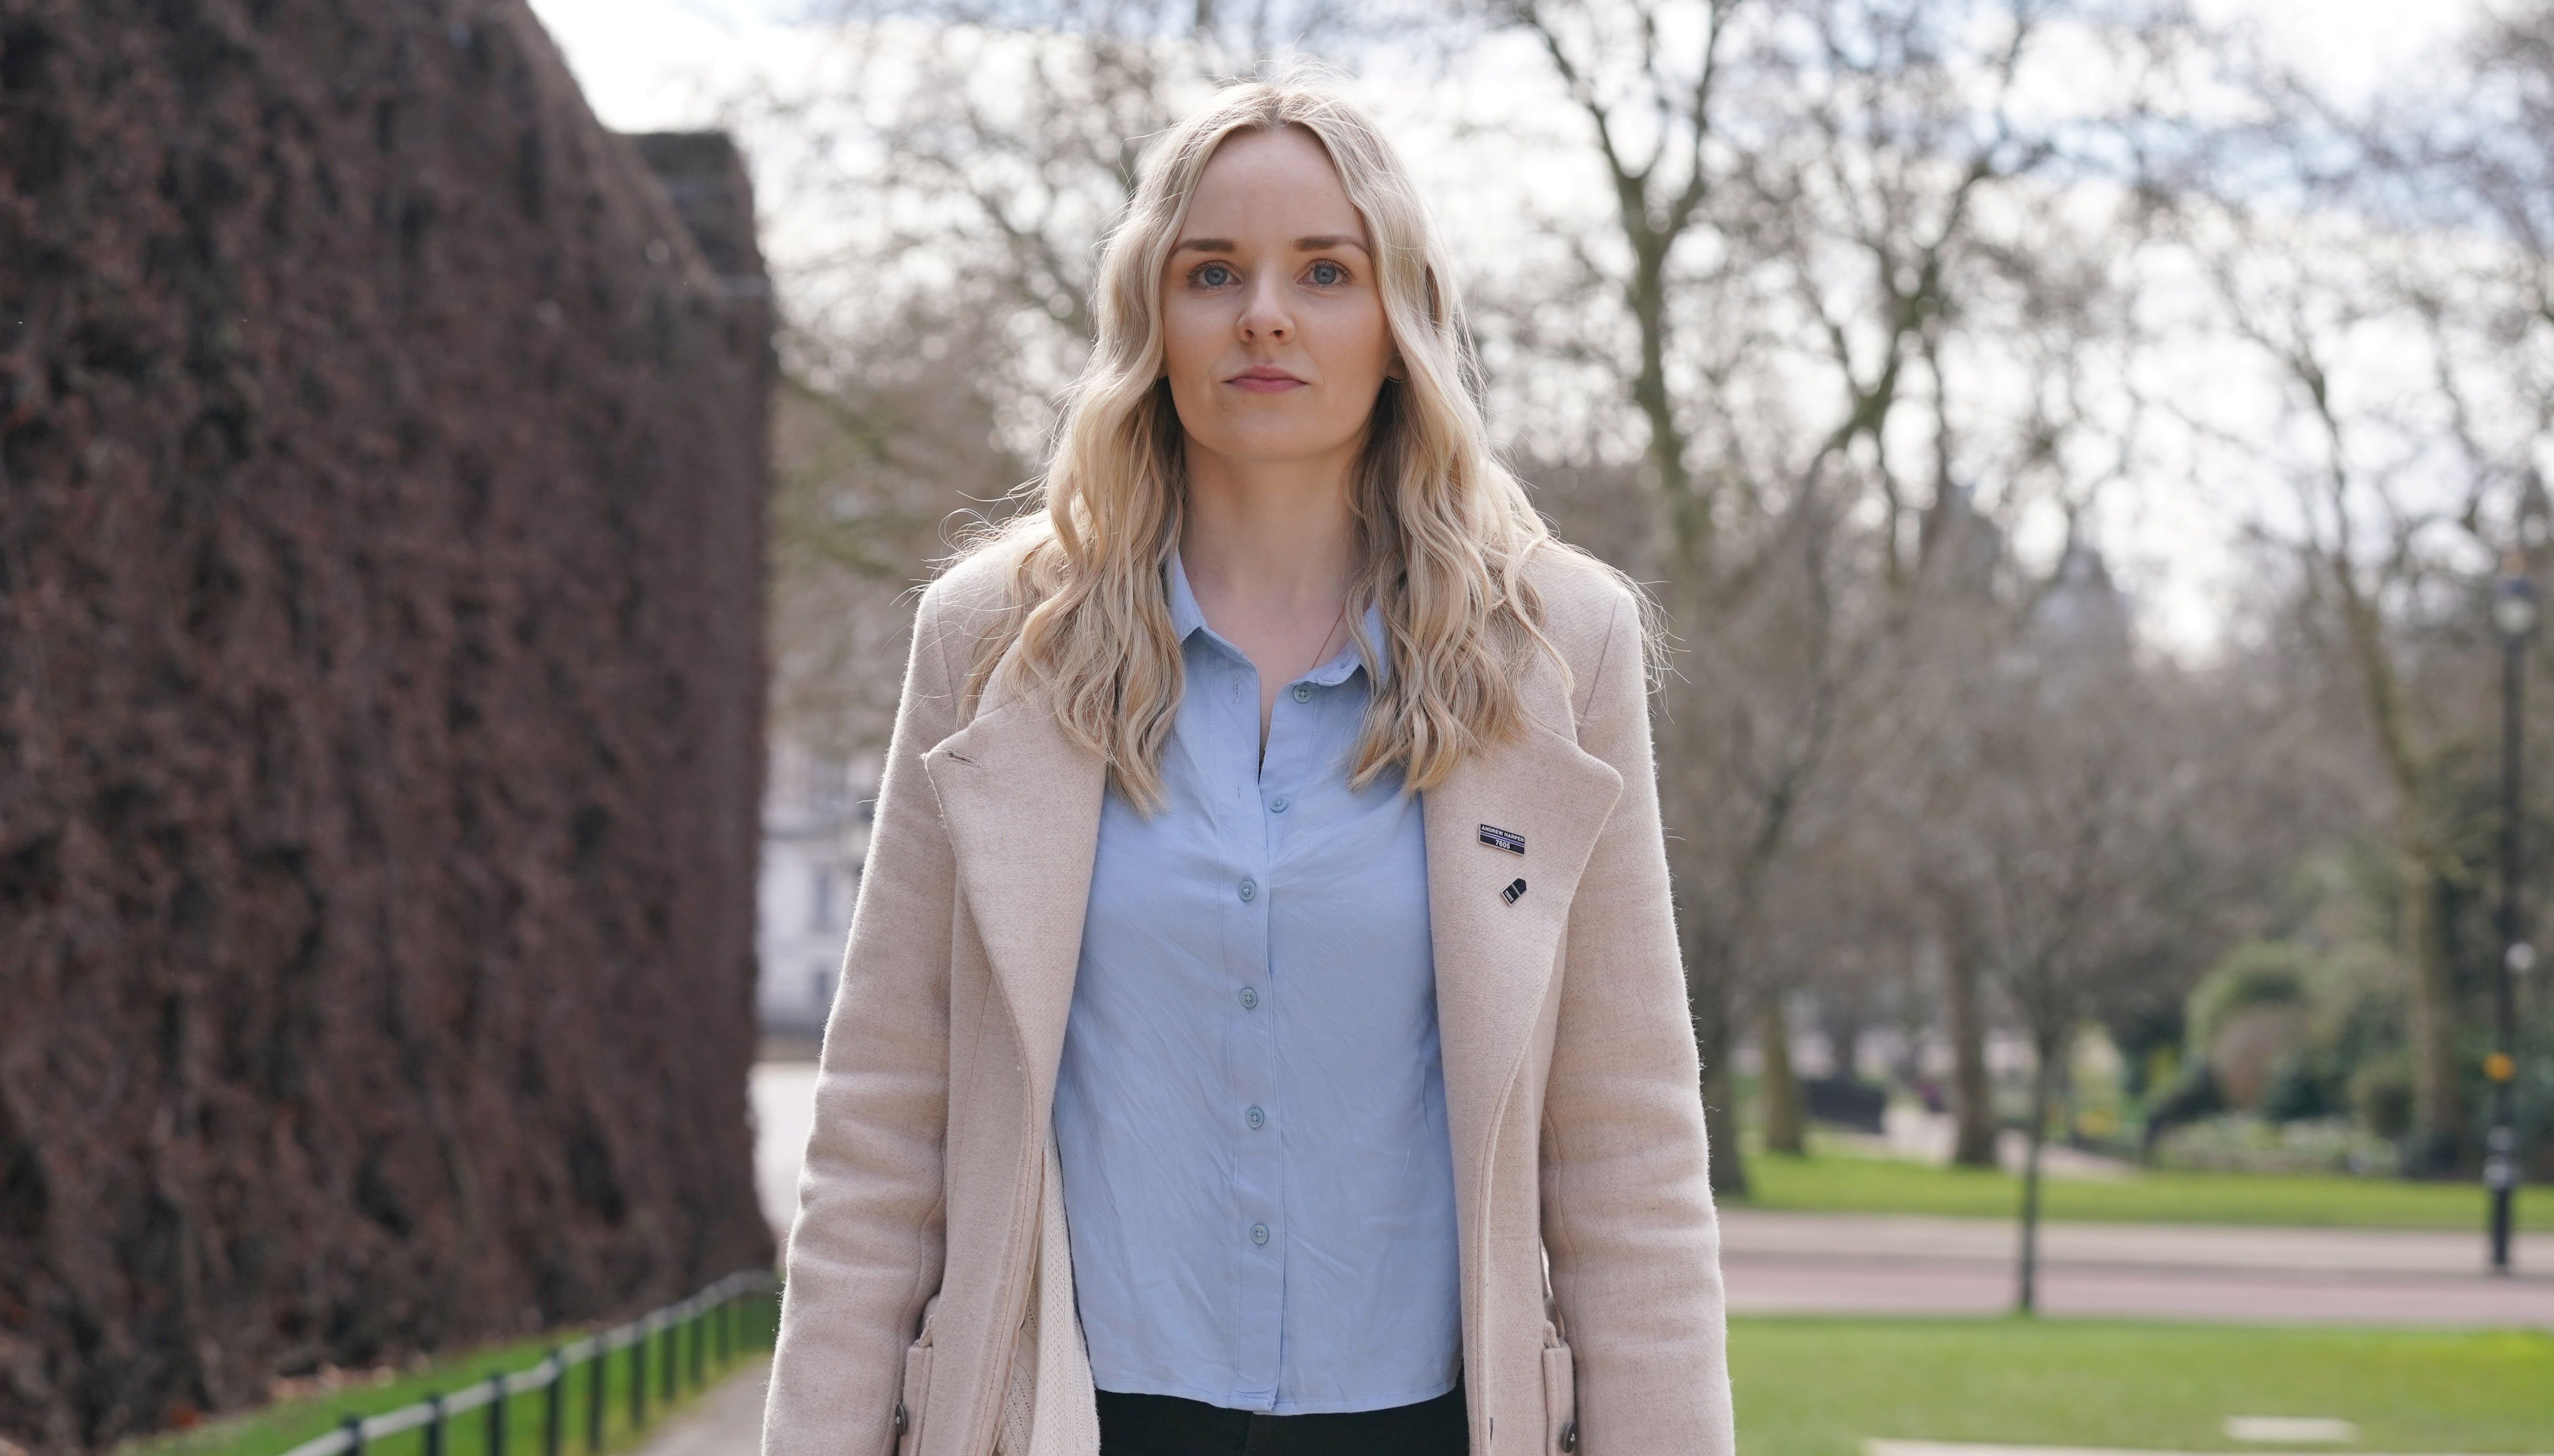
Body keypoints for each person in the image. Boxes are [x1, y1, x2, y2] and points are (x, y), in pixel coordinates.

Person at [760, 76, 1732, 1456]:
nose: (1264, 313)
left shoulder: (1556, 649)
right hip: (1065, 1420)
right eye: (1212, 271)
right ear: (1152, 317)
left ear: (1399, 323)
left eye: (1324, 271)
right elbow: (879, 1139)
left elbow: (1629, 1158)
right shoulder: (991, 645)